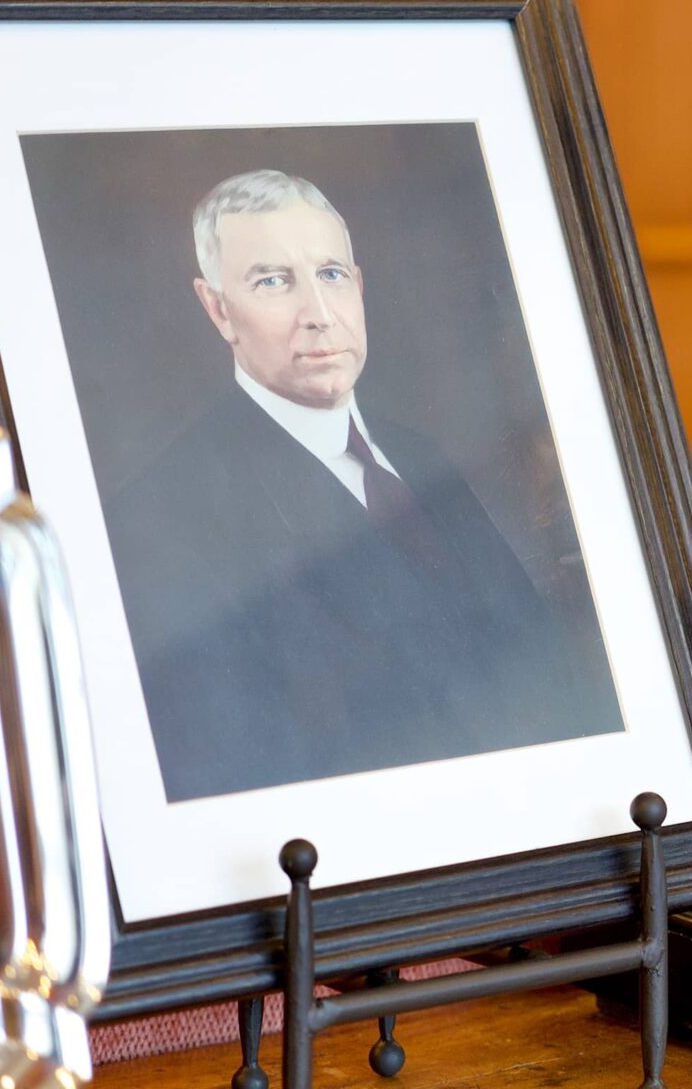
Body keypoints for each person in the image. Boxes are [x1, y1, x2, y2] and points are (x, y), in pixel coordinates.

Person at [107, 169, 619, 801]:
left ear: (359, 287)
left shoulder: (417, 455)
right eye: (273, 282)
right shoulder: (168, 513)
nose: (318, 316)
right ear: (218, 309)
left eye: (331, 275)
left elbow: (544, 668)